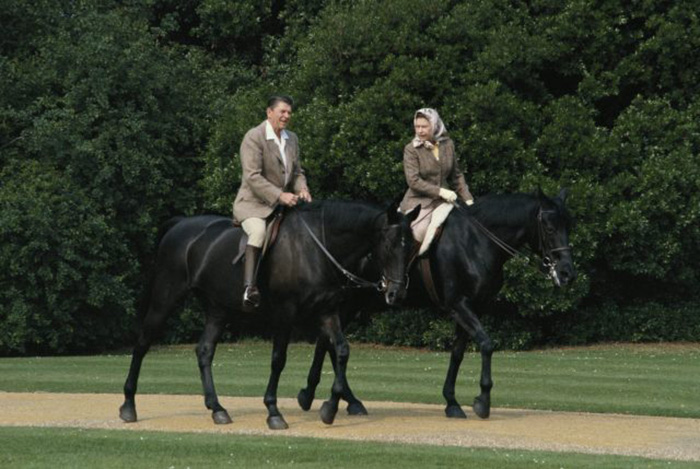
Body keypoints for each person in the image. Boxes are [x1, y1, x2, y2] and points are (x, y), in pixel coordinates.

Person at [233, 95, 312, 310]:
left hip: (282, 204)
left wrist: (302, 188)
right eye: (282, 112)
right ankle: (249, 289)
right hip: (253, 203)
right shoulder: (254, 137)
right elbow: (252, 176)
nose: (286, 116)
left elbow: (296, 172)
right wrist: (279, 195)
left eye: (289, 112)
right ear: (269, 112)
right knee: (258, 232)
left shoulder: (292, 138)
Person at [399, 108, 474, 250]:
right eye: (417, 127)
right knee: (418, 233)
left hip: (444, 202)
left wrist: (468, 199)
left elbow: (456, 176)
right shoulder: (411, 149)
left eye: (424, 127)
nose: (420, 131)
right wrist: (441, 191)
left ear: (434, 125)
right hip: (419, 201)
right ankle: (409, 270)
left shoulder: (448, 145)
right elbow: (413, 181)